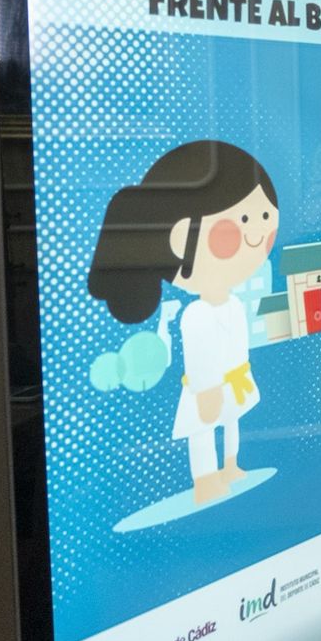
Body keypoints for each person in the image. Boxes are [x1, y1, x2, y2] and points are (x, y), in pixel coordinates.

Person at [88, 141, 280, 504]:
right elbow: (199, 357)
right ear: (180, 239)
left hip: (236, 379)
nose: (256, 234)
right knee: (203, 431)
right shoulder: (194, 315)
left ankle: (231, 465)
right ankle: (205, 481)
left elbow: (239, 342)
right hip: (206, 387)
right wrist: (207, 389)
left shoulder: (234, 304)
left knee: (233, 423)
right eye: (242, 220)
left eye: (265, 219)